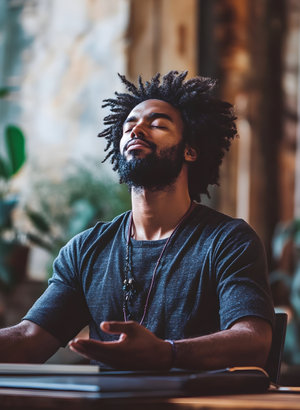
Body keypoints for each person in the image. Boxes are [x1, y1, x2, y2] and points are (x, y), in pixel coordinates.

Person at [0, 71, 274, 370]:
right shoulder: (85, 250)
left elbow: (253, 341)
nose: (137, 129)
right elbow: (29, 339)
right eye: (129, 124)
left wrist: (167, 353)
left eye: (157, 124)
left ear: (190, 150)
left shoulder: (227, 240)